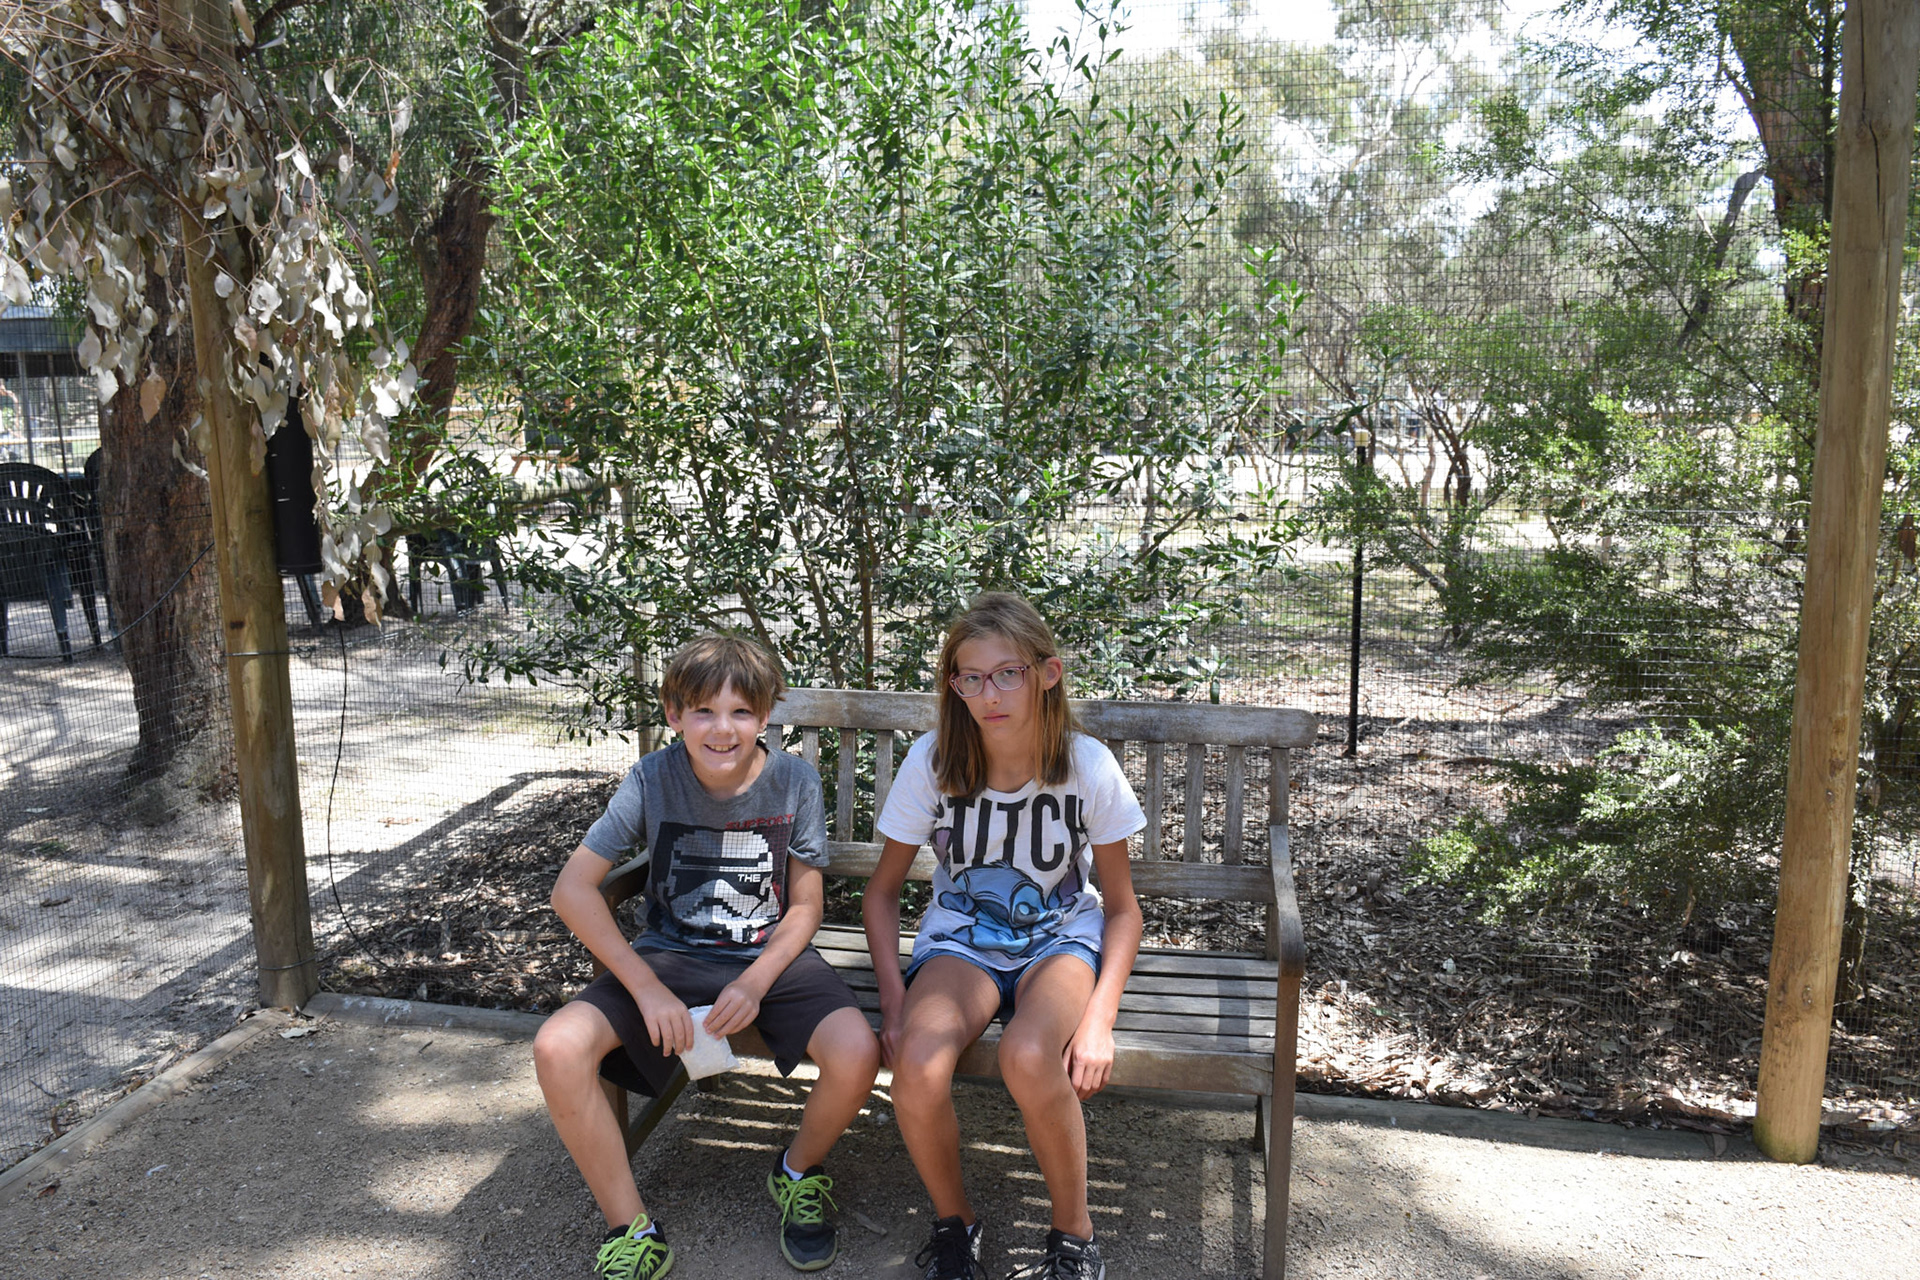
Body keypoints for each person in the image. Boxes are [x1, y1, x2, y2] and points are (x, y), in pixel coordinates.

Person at [533, 633, 881, 1279]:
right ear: (674, 714)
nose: (723, 730)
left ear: (765, 715)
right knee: (557, 1047)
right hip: (669, 956)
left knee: (858, 1052)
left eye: (741, 712)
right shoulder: (652, 777)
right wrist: (647, 989)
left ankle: (796, 1169)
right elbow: (572, 890)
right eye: (704, 712)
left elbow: (806, 906)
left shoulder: (794, 781)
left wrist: (755, 982)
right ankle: (632, 1228)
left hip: (770, 957)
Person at [865, 593, 1146, 1280]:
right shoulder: (936, 761)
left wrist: (1100, 1021)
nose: (989, 695)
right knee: (918, 1066)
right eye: (971, 678)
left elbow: (1122, 909)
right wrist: (896, 1006)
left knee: (1028, 1053)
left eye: (1007, 674)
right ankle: (955, 1226)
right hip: (962, 944)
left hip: (1058, 942)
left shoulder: (1086, 766)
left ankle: (1074, 1238)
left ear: (1047, 674)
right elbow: (881, 894)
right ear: (954, 685)